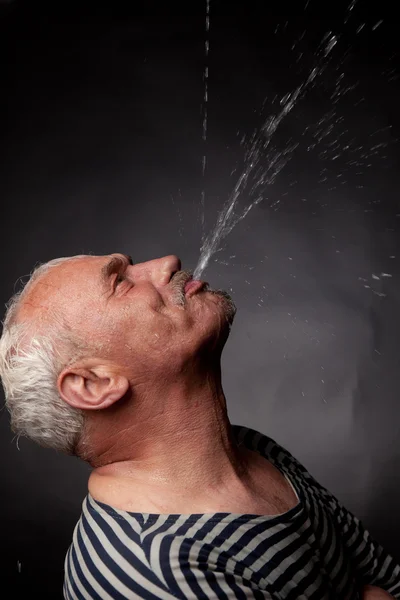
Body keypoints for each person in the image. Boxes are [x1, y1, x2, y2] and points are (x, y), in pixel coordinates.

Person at [0, 252, 399, 600]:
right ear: (93, 384)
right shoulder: (147, 574)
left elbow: (384, 577)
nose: (167, 263)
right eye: (120, 281)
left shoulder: (254, 451)